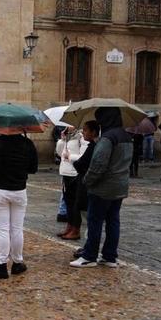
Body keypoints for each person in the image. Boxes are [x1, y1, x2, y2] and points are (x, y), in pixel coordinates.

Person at [70, 107, 132, 268]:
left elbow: (98, 164)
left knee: (95, 221)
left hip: (103, 187)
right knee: (113, 221)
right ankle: (109, 256)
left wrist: (88, 181)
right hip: (120, 186)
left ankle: (89, 256)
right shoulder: (126, 136)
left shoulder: (107, 138)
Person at [0, 131, 38, 279]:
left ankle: (1, 266)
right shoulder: (28, 144)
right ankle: (18, 263)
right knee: (17, 229)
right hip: (19, 190)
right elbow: (33, 168)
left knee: (3, 230)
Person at [70, 121, 100, 253]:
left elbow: (82, 164)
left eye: (86, 130)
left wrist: (74, 161)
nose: (83, 132)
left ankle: (90, 249)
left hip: (87, 185)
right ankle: (89, 247)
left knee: (90, 219)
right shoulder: (94, 145)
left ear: (93, 132)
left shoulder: (94, 146)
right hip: (87, 184)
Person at [55, 126, 88, 241]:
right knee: (68, 202)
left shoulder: (81, 136)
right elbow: (59, 152)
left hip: (75, 173)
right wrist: (62, 140)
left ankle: (75, 229)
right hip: (65, 172)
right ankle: (69, 227)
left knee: (75, 204)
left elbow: (84, 156)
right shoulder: (68, 136)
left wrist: (70, 157)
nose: (68, 126)